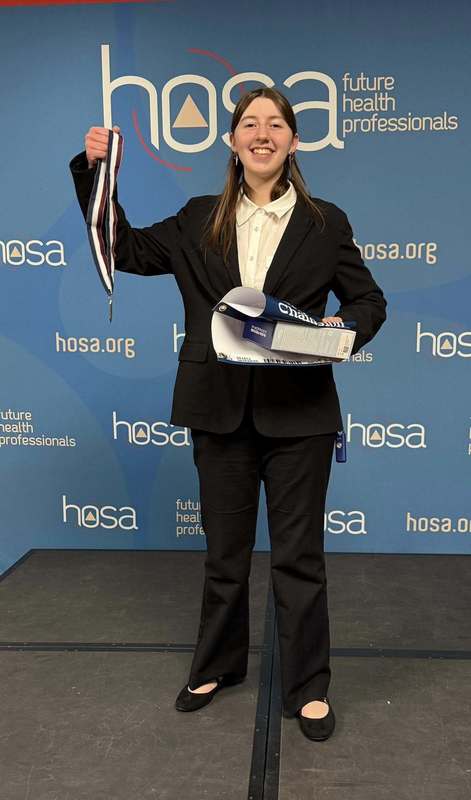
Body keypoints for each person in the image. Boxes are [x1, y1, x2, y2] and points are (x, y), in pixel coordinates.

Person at [70, 86, 387, 742]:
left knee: (299, 557)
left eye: (276, 124)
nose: (262, 134)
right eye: (250, 123)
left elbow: (368, 301)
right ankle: (216, 665)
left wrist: (340, 330)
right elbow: (124, 248)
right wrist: (94, 173)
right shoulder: (196, 218)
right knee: (224, 554)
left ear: (294, 142)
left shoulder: (325, 221)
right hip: (217, 412)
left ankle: (307, 686)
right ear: (232, 140)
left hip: (299, 416)